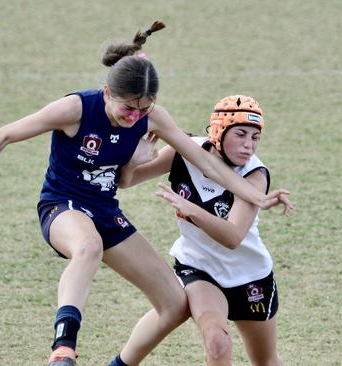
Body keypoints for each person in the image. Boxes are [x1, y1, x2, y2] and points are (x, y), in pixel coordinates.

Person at [0, 22, 291, 366]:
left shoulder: (153, 117)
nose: (136, 116)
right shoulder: (75, 108)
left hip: (105, 210)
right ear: (106, 92)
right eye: (128, 108)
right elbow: (6, 133)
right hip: (62, 205)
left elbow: (206, 162)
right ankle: (63, 347)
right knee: (88, 248)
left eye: (144, 109)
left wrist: (259, 198)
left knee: (175, 304)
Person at [119, 95, 287, 365]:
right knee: (217, 342)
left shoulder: (255, 174)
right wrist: (132, 161)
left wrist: (191, 210)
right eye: (241, 134)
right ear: (219, 131)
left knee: (265, 361)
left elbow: (232, 237)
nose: (248, 145)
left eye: (255, 138)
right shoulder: (183, 152)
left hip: (250, 275)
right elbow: (126, 181)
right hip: (199, 268)